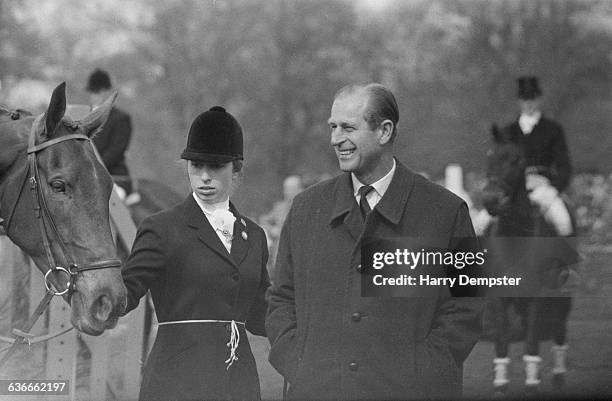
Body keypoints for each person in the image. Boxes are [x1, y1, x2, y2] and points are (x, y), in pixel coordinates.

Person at [265, 83, 483, 399]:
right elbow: (281, 298)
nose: (335, 139)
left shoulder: (445, 212)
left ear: (384, 131)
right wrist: (298, 362)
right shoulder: (305, 209)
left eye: (348, 128)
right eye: (333, 127)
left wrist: (419, 373)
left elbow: (466, 308)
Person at [122, 106, 270, 401]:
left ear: (236, 169)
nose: (204, 177)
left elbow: (259, 314)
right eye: (195, 166)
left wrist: (311, 319)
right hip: (176, 385)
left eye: (215, 167)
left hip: (238, 386)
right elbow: (125, 293)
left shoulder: (254, 235)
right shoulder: (161, 228)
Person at [492, 76, 574, 391]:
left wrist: (548, 183)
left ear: (538, 100)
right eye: (524, 99)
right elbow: (500, 164)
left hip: (542, 188)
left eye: (532, 99)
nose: (528, 103)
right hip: (513, 190)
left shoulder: (553, 130)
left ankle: (564, 270)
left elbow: (565, 167)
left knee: (563, 220)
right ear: (520, 101)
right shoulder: (509, 130)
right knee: (485, 222)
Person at [86, 69, 138, 203]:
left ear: (106, 91)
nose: (94, 96)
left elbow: (116, 150)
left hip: (113, 176)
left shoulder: (121, 118)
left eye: (98, 92)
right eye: (92, 92)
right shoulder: (83, 117)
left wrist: (93, 167)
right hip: (85, 174)